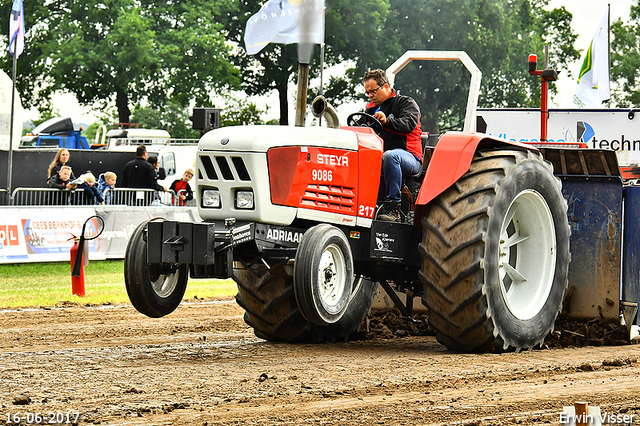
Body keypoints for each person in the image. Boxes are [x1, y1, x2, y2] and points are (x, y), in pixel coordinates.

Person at [361, 69, 424, 222]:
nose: (370, 96)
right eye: (367, 93)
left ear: (386, 87)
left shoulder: (406, 103)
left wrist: (386, 121)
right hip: (380, 159)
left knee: (391, 156)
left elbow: (408, 124)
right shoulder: (369, 110)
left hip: (410, 158)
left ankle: (393, 207)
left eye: (373, 91)